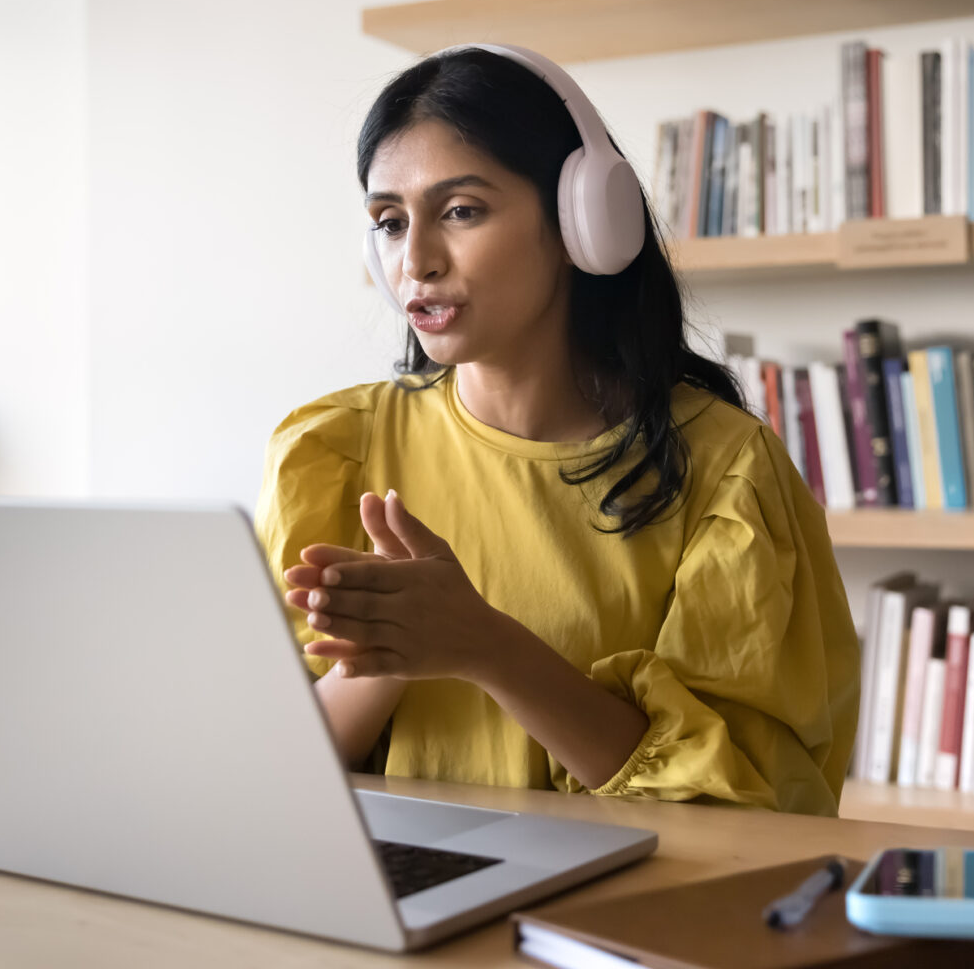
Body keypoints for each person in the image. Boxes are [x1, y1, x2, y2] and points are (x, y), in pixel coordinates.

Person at [255, 45, 859, 814]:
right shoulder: (330, 450)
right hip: (402, 905)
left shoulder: (728, 471)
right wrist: (390, 652)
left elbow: (742, 806)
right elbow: (275, 776)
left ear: (583, 219)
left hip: (628, 914)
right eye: (389, 221)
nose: (417, 259)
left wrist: (484, 645)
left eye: (461, 210)